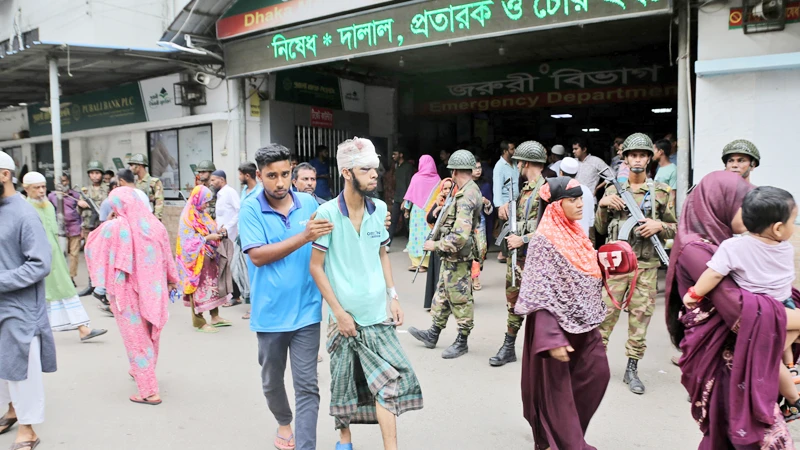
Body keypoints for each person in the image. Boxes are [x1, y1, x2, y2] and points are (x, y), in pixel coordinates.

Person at [665, 171, 798, 448]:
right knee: (746, 436)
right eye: (743, 206)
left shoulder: (735, 245)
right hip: (725, 359)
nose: (749, 216)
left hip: (744, 351)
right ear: (720, 205)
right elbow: (740, 312)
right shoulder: (697, 250)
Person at [310, 137, 423, 450]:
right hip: (342, 318)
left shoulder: (381, 209)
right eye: (366, 169)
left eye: (376, 168)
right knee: (344, 384)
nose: (375, 174)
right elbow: (316, 268)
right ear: (347, 173)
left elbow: (382, 253)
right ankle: (344, 440)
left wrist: (393, 295)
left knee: (389, 382)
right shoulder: (327, 215)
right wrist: (339, 312)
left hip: (376, 315)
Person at [239, 144, 333, 450]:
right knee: (271, 382)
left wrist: (375, 219)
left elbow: (339, 221)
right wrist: (304, 236)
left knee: (308, 386)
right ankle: (283, 422)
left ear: (292, 172)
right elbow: (257, 256)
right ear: (259, 175)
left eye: (285, 174)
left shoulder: (308, 203)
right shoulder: (251, 207)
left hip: (307, 311)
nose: (280, 182)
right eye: (271, 176)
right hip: (270, 314)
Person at [515, 177, 609, 450]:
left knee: (597, 374)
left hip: (585, 324)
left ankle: (564, 435)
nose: (580, 204)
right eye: (572, 199)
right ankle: (568, 442)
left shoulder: (577, 233)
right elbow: (539, 290)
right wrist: (550, 337)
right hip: (555, 331)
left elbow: (586, 272)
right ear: (556, 205)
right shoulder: (544, 242)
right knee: (557, 394)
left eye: (581, 198)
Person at [595, 133, 677, 394]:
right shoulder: (612, 191)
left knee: (640, 319)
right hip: (617, 266)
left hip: (647, 266)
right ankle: (595, 367)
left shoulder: (662, 192)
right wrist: (602, 205)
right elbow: (599, 229)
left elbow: (677, 228)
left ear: (650, 159)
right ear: (626, 159)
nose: (638, 159)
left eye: (642, 155)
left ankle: (632, 368)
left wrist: (659, 225)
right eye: (633, 155)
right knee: (605, 317)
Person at [85, 187, 179, 405]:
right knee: (150, 332)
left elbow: (91, 245)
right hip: (154, 290)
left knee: (135, 338)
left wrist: (107, 221)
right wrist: (172, 279)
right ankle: (144, 369)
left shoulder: (115, 228)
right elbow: (167, 256)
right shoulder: (156, 224)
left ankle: (149, 391)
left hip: (127, 291)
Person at [0, 153, 57, 450]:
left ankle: (28, 429)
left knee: (23, 370)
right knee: (2, 367)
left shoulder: (24, 214)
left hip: (20, 308)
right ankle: (11, 411)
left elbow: (40, 264)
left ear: (4, 175)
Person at [409, 150, 482, 359]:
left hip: (458, 255)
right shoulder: (461, 191)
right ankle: (433, 333)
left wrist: (436, 245)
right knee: (442, 294)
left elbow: (460, 235)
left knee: (460, 298)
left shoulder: (467, 195)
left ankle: (462, 340)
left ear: (455, 170)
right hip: (451, 257)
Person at [24, 172, 107, 342]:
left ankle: (82, 328)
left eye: (43, 187)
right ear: (26, 189)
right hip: (35, 260)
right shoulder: (24, 209)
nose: (41, 191)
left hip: (55, 258)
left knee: (64, 291)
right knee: (42, 296)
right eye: (36, 188)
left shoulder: (47, 205)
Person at [490, 141, 547, 367]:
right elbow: (522, 219)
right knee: (513, 302)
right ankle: (509, 346)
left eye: (519, 163)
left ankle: (541, 351)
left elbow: (549, 228)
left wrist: (522, 238)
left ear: (524, 163)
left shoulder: (546, 190)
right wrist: (507, 210)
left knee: (539, 306)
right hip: (518, 258)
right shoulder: (525, 189)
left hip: (536, 259)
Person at [176, 185, 232, 333]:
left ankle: (215, 316)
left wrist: (217, 232)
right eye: (205, 201)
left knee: (212, 287)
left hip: (210, 257)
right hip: (196, 260)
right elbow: (187, 242)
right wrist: (207, 238)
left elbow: (210, 227)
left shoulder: (203, 214)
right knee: (197, 288)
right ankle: (199, 321)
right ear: (197, 199)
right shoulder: (187, 217)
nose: (207, 205)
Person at [211, 170, 244, 309]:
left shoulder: (230, 192)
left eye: (214, 180)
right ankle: (232, 295)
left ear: (222, 180)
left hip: (230, 235)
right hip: (222, 236)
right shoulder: (219, 195)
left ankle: (236, 296)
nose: (211, 183)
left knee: (230, 266)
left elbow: (239, 211)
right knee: (225, 265)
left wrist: (227, 227)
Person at [76, 161, 110, 297]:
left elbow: (108, 205)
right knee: (90, 256)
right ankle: (92, 284)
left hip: (102, 227)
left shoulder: (107, 189)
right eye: (92, 173)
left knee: (104, 256)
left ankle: (104, 286)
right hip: (88, 227)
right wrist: (81, 204)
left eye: (97, 173)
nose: (95, 176)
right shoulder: (84, 191)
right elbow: (79, 210)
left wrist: (92, 205)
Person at [402, 155, 441, 271]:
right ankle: (428, 263)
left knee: (415, 236)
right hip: (431, 212)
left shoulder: (416, 178)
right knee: (428, 235)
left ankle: (417, 263)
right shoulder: (437, 179)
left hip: (417, 212)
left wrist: (407, 209)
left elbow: (410, 196)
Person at [422, 178, 454, 311]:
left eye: (449, 188)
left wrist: (444, 207)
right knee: (436, 272)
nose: (447, 191)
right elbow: (430, 218)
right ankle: (435, 302)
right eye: (444, 188)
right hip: (437, 241)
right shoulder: (438, 201)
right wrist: (437, 204)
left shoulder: (456, 202)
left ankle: (448, 304)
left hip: (449, 242)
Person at [48, 174, 83, 285]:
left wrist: (82, 227)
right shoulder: (52, 196)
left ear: (68, 181)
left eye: (64, 181)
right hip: (59, 230)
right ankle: (61, 278)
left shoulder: (75, 195)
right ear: (54, 182)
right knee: (59, 255)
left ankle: (71, 277)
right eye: (60, 181)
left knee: (74, 254)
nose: (62, 184)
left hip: (74, 228)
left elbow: (81, 212)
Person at [493, 140, 519, 264]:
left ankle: (507, 253)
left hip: (515, 202)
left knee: (512, 228)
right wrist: (499, 207)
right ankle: (504, 254)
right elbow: (497, 187)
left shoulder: (515, 163)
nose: (514, 151)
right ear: (505, 151)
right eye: (512, 149)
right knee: (505, 228)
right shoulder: (499, 167)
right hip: (505, 203)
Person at [471, 161, 493, 290]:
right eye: (475, 168)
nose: (478, 170)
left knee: (480, 249)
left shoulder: (485, 185)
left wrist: (486, 202)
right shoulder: (464, 185)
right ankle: (475, 277)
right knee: (468, 249)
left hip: (480, 220)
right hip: (466, 220)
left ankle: (475, 274)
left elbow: (490, 207)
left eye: (479, 168)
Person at [559, 157, 594, 236]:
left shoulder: (559, 192)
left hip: (564, 242)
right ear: (576, 174)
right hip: (584, 242)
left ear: (561, 173)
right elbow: (591, 223)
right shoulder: (587, 191)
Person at [388, 147, 413, 248]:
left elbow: (409, 184)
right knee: (393, 220)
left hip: (406, 199)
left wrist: (406, 199)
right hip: (397, 198)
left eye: (395, 153)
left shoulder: (408, 167)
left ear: (401, 154)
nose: (393, 156)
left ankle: (410, 244)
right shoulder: (396, 166)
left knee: (408, 222)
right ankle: (387, 244)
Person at [127, 153, 164, 221]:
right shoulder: (133, 183)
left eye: (132, 165)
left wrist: (156, 220)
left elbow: (159, 203)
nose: (130, 168)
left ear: (139, 165)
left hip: (149, 218)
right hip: (136, 219)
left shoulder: (154, 182)